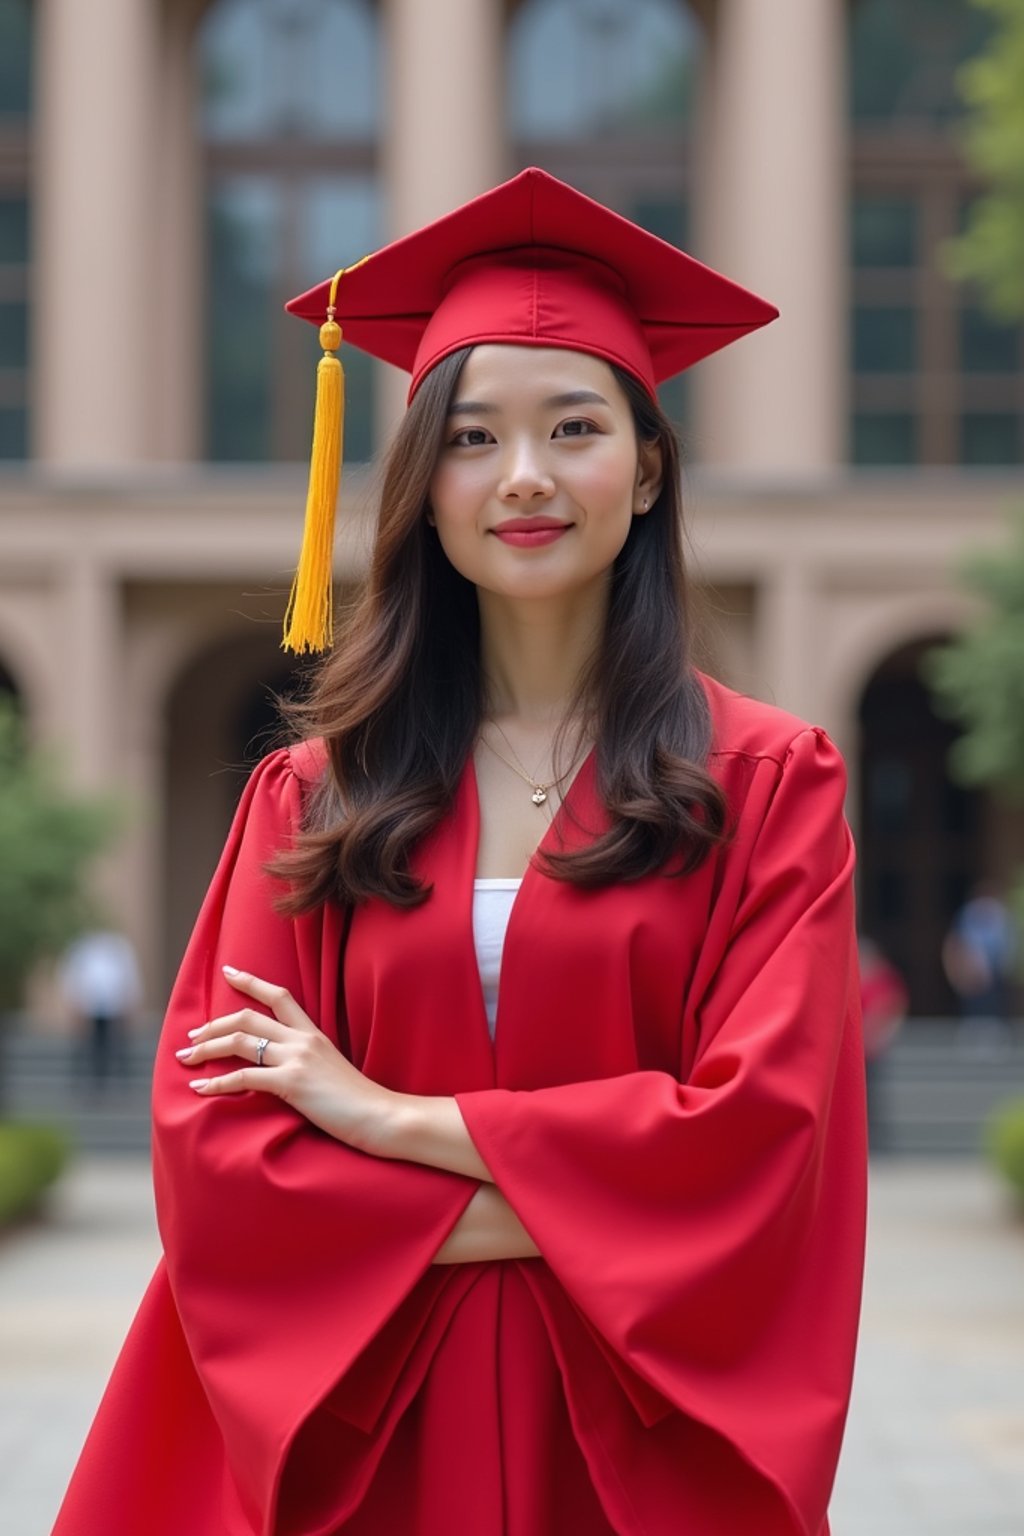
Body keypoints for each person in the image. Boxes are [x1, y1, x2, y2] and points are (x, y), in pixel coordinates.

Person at [53, 168, 867, 1536]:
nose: (528, 477)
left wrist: (380, 1121)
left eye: (575, 428)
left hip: (630, 1450)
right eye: (475, 437)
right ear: (422, 481)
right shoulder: (311, 799)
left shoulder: (768, 784)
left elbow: (761, 1154)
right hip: (368, 1447)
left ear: (651, 466)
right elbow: (226, 1166)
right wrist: (599, 1196)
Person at [58, 927, 142, 1086]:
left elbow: (128, 978)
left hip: (113, 1007)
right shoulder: (81, 948)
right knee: (90, 1047)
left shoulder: (119, 948)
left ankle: (120, 1084)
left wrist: (128, 1003)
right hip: (91, 1007)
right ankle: (92, 1084)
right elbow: (73, 978)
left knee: (116, 1046)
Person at [942, 881, 1017, 1053]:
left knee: (994, 998)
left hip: (995, 964)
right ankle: (973, 1029)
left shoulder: (1000, 913)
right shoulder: (969, 913)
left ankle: (994, 1029)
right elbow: (962, 938)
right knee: (974, 997)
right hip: (972, 963)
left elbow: (1007, 939)